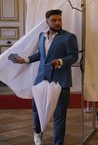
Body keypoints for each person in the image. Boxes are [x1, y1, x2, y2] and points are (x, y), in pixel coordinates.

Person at [13, 9, 78, 145]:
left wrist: (60, 62)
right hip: (41, 79)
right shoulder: (42, 36)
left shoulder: (69, 37)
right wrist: (25, 60)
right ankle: (37, 134)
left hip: (61, 82)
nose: (57, 22)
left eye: (59, 20)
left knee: (59, 116)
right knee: (37, 110)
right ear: (47, 21)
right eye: (54, 20)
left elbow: (73, 56)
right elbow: (41, 55)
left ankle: (58, 143)